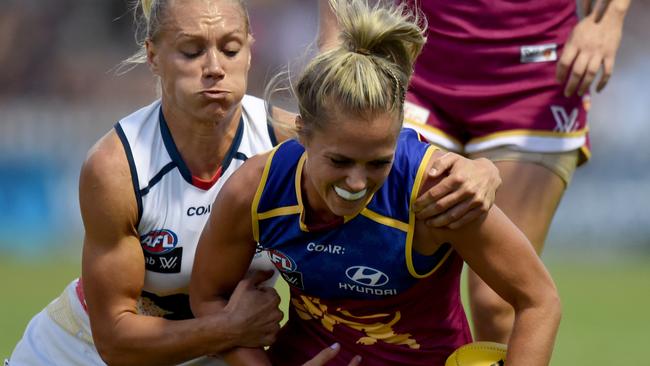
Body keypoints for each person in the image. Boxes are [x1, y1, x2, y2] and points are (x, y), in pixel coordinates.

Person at [6, 0, 502, 365]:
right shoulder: (118, 167)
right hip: (85, 349)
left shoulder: (293, 141)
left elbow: (386, 149)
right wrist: (228, 327)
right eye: (191, 51)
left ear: (250, 52)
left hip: (222, 352)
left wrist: (482, 171)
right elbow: (115, 339)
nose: (214, 68)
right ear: (154, 56)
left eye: (229, 47)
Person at [190, 1, 561, 365]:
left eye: (378, 163)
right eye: (340, 161)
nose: (355, 181)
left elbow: (538, 300)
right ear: (301, 131)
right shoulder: (257, 189)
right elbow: (209, 296)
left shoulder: (435, 190)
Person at [318, 0, 630, 342]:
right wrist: (331, 44)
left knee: (498, 299)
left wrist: (608, 19)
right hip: (413, 63)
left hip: (536, 75)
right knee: (383, 267)